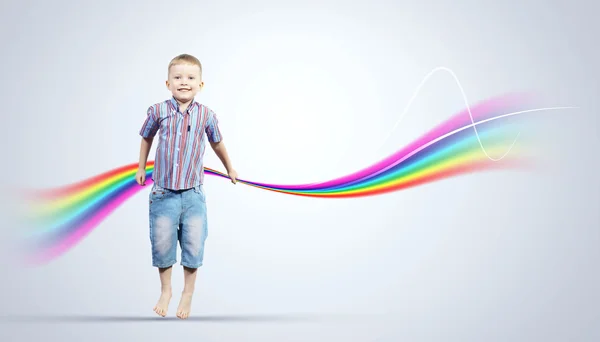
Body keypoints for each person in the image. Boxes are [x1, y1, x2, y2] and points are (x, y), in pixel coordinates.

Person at [135, 53, 238, 319]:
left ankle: (188, 293)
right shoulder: (158, 111)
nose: (184, 82)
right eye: (177, 77)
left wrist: (229, 168)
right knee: (163, 244)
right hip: (163, 193)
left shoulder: (206, 115)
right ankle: (166, 290)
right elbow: (146, 137)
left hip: (193, 195)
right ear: (167, 83)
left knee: (193, 246)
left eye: (190, 78)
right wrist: (140, 166)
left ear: (200, 84)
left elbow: (217, 143)